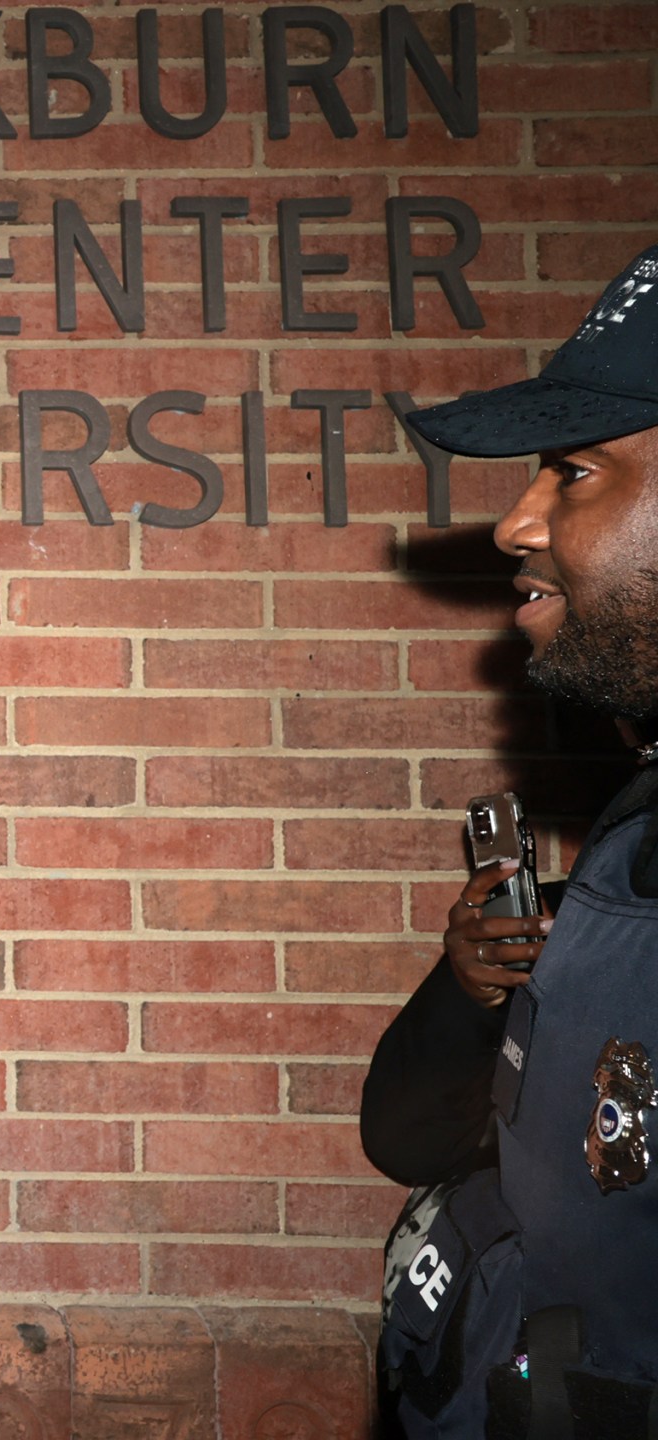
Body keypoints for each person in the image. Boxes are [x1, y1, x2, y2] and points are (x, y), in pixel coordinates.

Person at [366, 244, 658, 1433]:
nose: (516, 522)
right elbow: (412, 1134)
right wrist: (469, 989)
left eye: (574, 473)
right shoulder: (630, 841)